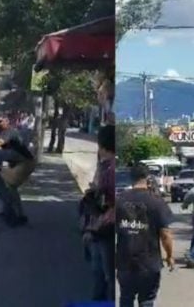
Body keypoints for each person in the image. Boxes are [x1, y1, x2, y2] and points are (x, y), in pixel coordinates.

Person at [117, 164, 174, 307]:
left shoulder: (119, 200)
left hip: (125, 261)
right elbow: (165, 234)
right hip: (149, 263)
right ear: (148, 177)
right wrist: (169, 256)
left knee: (126, 297)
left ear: (131, 178)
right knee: (147, 300)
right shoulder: (156, 202)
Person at [80, 125, 116, 301]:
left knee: (105, 275)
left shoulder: (109, 169)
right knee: (100, 273)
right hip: (100, 227)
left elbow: (108, 203)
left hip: (104, 227)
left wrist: (91, 227)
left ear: (102, 146)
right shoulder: (105, 167)